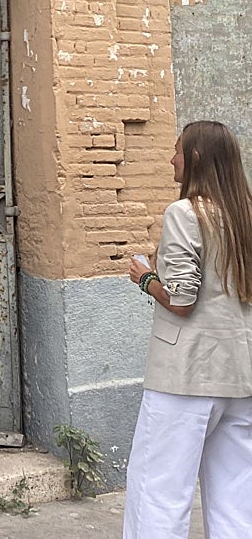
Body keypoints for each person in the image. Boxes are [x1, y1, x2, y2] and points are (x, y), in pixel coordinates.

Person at [124, 120, 252, 539]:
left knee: (159, 490)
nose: (171, 159)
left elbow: (181, 300)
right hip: (241, 375)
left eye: (177, 150)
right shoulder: (246, 215)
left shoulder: (185, 213)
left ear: (195, 157)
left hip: (184, 376)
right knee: (236, 495)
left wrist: (144, 276)